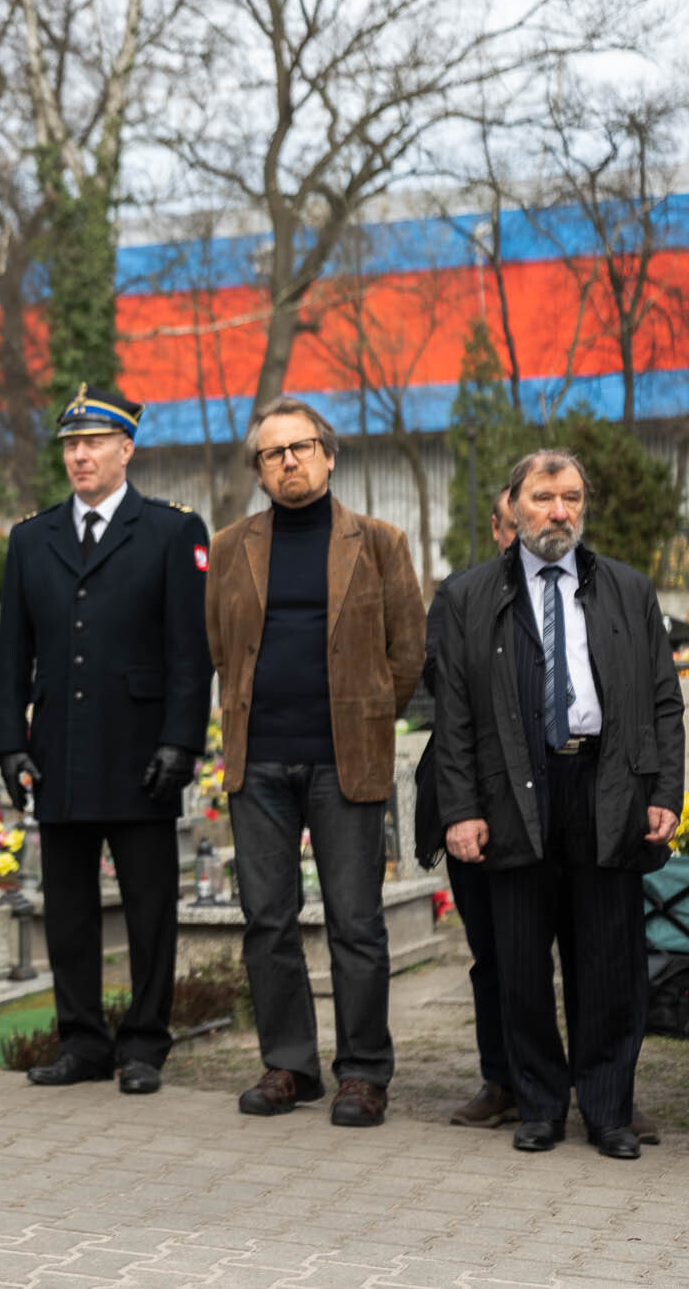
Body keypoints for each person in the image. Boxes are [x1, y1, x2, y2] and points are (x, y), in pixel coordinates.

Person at [433, 449, 682, 1160]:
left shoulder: (628, 590)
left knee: (608, 959)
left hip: (605, 786)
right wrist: (460, 808)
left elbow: (665, 701)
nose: (558, 511)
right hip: (513, 790)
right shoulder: (468, 595)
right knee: (519, 961)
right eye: (543, 496)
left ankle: (608, 1109)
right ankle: (539, 1104)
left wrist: (665, 790)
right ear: (511, 504)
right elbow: (452, 717)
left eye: (571, 496)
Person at [205, 396, 422, 1126]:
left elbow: (407, 653)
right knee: (267, 919)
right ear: (259, 469)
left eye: (301, 447)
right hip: (258, 761)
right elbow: (220, 645)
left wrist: (365, 717)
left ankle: (363, 1072)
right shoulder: (232, 545)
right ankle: (288, 1065)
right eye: (273, 453)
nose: (289, 461)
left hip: (345, 761)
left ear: (329, 455)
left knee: (355, 920)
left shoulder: (381, 542)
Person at [0, 388, 211, 1095]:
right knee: (69, 909)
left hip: (142, 750)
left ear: (127, 449)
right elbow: (12, 652)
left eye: (94, 443)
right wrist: (8, 743)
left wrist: (182, 742)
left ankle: (144, 1042)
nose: (80, 456)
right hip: (59, 749)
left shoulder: (172, 531)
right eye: (70, 445)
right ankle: (82, 1039)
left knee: (150, 907)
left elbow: (190, 651)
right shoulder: (32, 538)